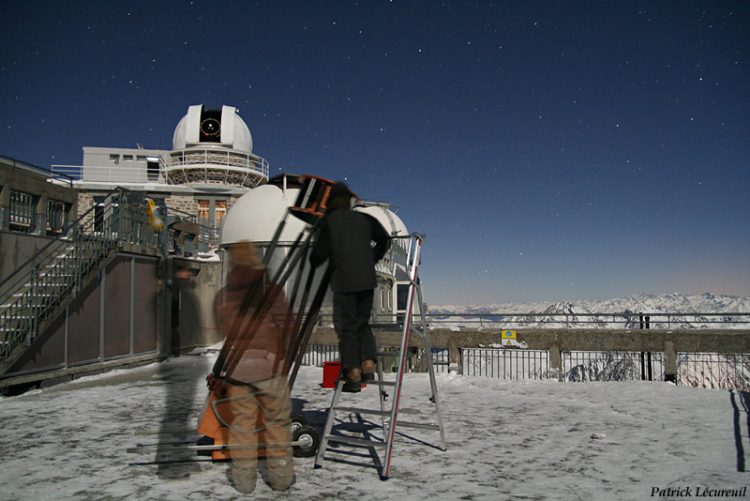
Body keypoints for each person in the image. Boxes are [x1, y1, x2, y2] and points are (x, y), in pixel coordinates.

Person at [212, 240, 296, 494]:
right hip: (269, 366)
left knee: (242, 427)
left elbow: (220, 329)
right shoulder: (270, 290)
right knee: (277, 424)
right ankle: (281, 479)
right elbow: (287, 324)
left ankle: (244, 482)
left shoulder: (223, 294)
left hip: (237, 368)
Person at [310, 182, 390, 392]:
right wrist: (371, 258)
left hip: (344, 280)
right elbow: (384, 239)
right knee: (361, 323)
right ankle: (369, 363)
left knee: (346, 328)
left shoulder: (330, 222)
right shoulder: (364, 218)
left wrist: (316, 256)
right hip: (366, 279)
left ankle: (353, 374)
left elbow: (319, 255)